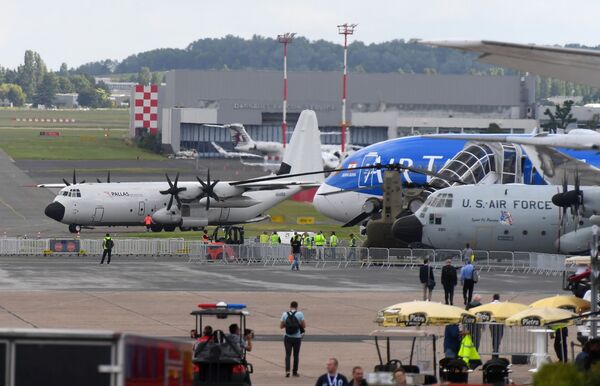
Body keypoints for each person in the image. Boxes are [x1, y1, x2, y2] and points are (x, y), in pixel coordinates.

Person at [281, 301, 305, 377]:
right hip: (297, 338)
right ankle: (295, 372)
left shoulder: (285, 314)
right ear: (297, 307)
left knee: (287, 355)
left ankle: (287, 371)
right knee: (296, 355)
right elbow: (304, 325)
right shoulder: (300, 314)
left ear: (290, 306)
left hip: (287, 337)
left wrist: (287, 325)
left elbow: (281, 326)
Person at [489, 294, 504, 358]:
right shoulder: (502, 305)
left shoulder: (490, 304)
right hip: (499, 322)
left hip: (492, 322)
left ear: (493, 298)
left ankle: (495, 350)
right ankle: (495, 350)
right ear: (499, 298)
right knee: (499, 337)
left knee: (494, 337)